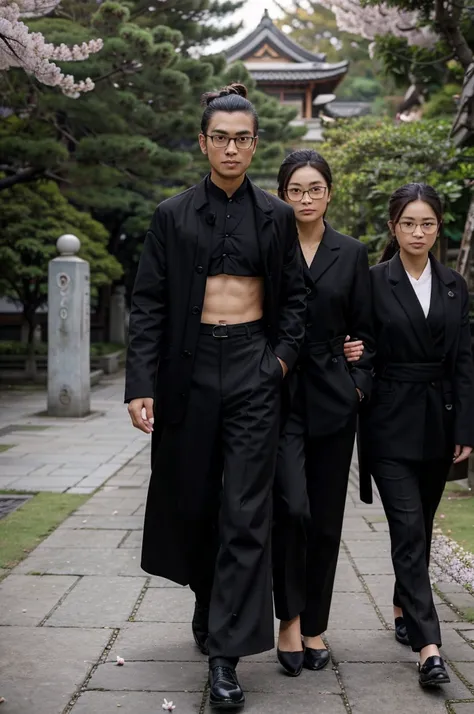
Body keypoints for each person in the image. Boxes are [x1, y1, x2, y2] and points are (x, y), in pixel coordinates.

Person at [124, 83, 307, 709]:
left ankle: (226, 657)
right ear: (204, 142)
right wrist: (140, 384)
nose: (231, 147)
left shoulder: (277, 217)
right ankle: (208, 598)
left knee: (246, 508)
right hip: (190, 369)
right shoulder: (171, 215)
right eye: (221, 137)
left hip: (255, 367)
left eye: (243, 138)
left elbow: (297, 303)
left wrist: (278, 362)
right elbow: (148, 303)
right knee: (193, 498)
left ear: (255, 145)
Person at [359, 183, 474, 687]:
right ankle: (430, 647)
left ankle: (404, 604)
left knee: (421, 528)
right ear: (393, 227)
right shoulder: (372, 282)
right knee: (407, 529)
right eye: (409, 223)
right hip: (388, 422)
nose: (418, 232)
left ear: (437, 229)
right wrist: (353, 357)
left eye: (427, 223)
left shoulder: (454, 284)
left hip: (438, 421)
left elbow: (465, 361)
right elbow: (360, 343)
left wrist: (466, 427)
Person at [272, 150, 375, 677]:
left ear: (329, 193)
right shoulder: (271, 244)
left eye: (315, 189)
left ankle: (314, 626)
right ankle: (287, 617)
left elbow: (367, 329)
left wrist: (358, 381)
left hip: (335, 401)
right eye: (296, 190)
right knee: (292, 510)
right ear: (283, 194)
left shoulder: (351, 252)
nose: (306, 199)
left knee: (328, 521)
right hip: (280, 397)